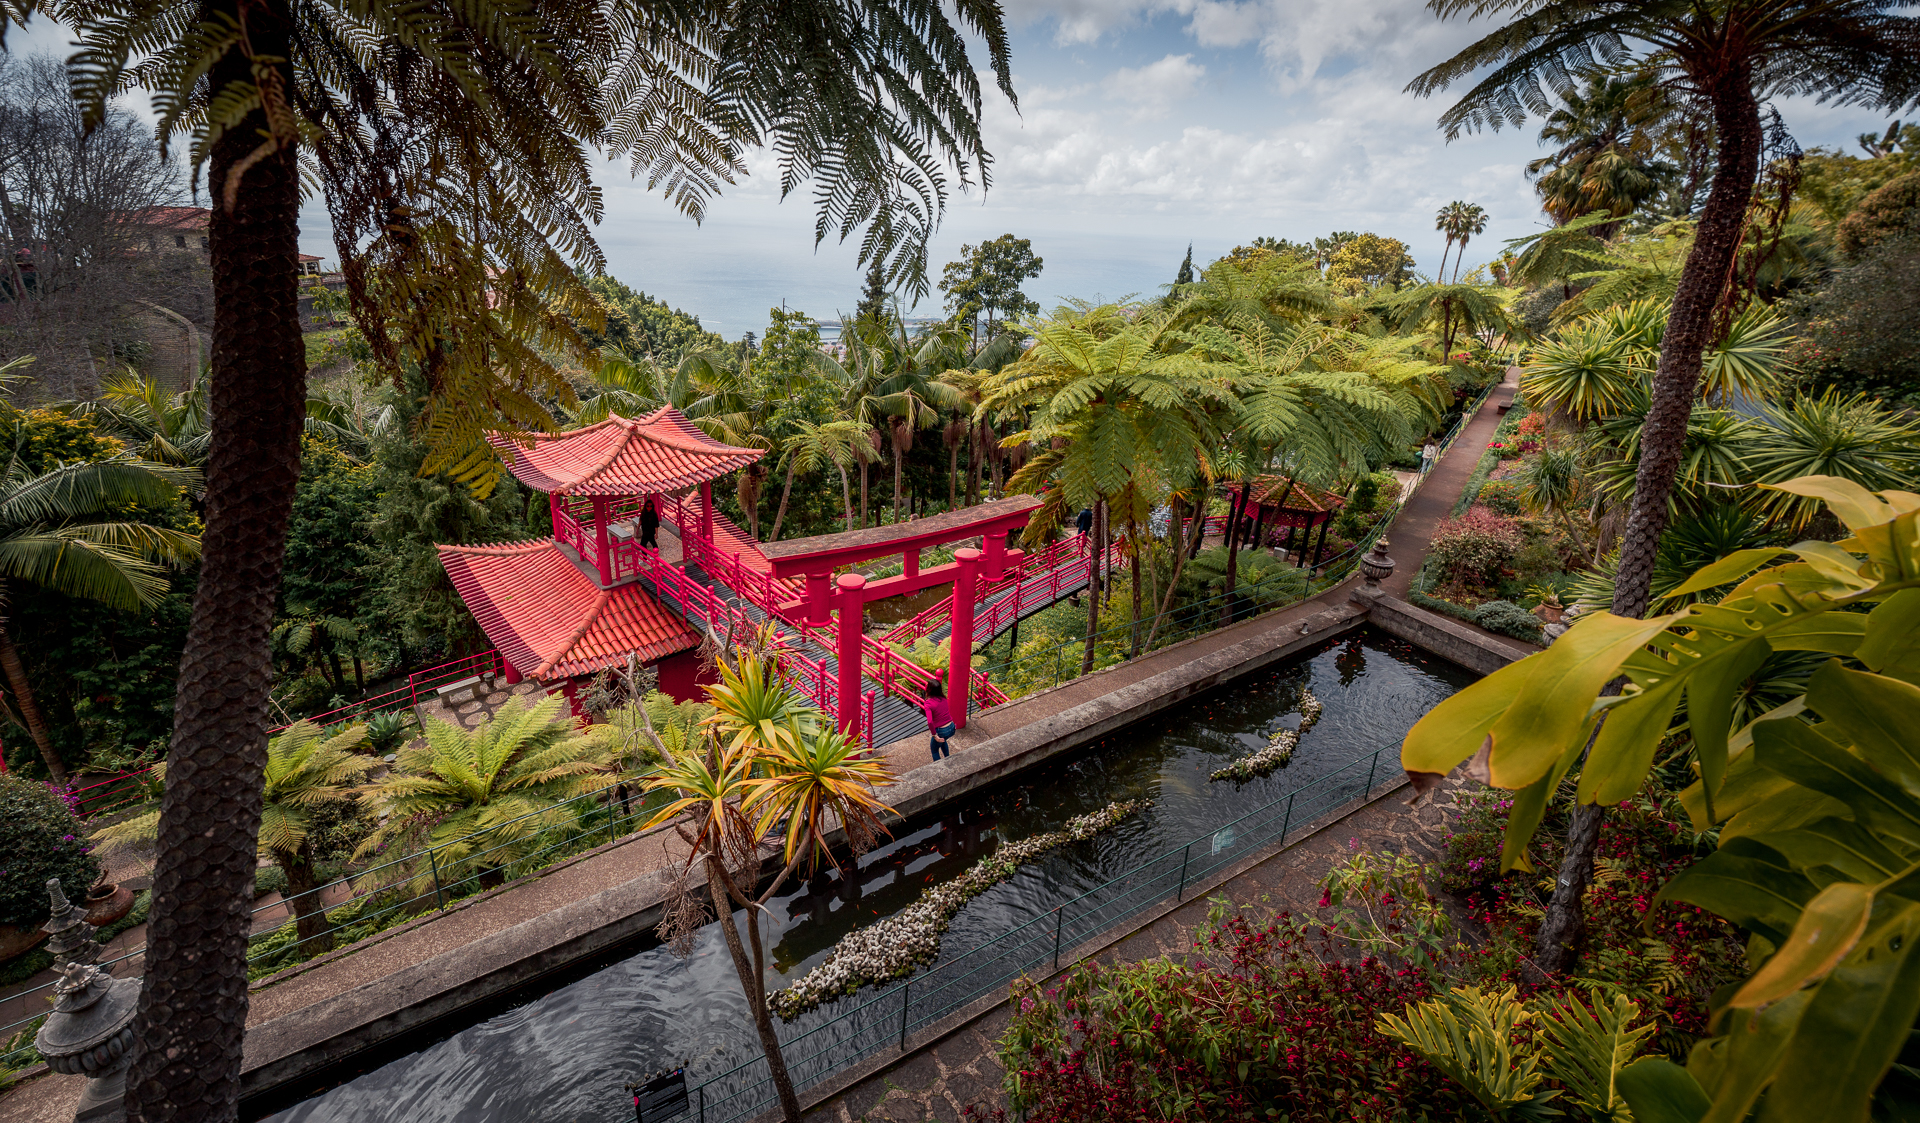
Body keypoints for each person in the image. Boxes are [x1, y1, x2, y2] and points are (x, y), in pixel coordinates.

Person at [919, 677, 957, 762]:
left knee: (934, 750)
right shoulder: (943, 698)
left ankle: (940, 768)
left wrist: (934, 735)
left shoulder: (928, 703)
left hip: (942, 730)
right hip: (951, 727)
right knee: (943, 741)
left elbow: (930, 722)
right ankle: (948, 758)